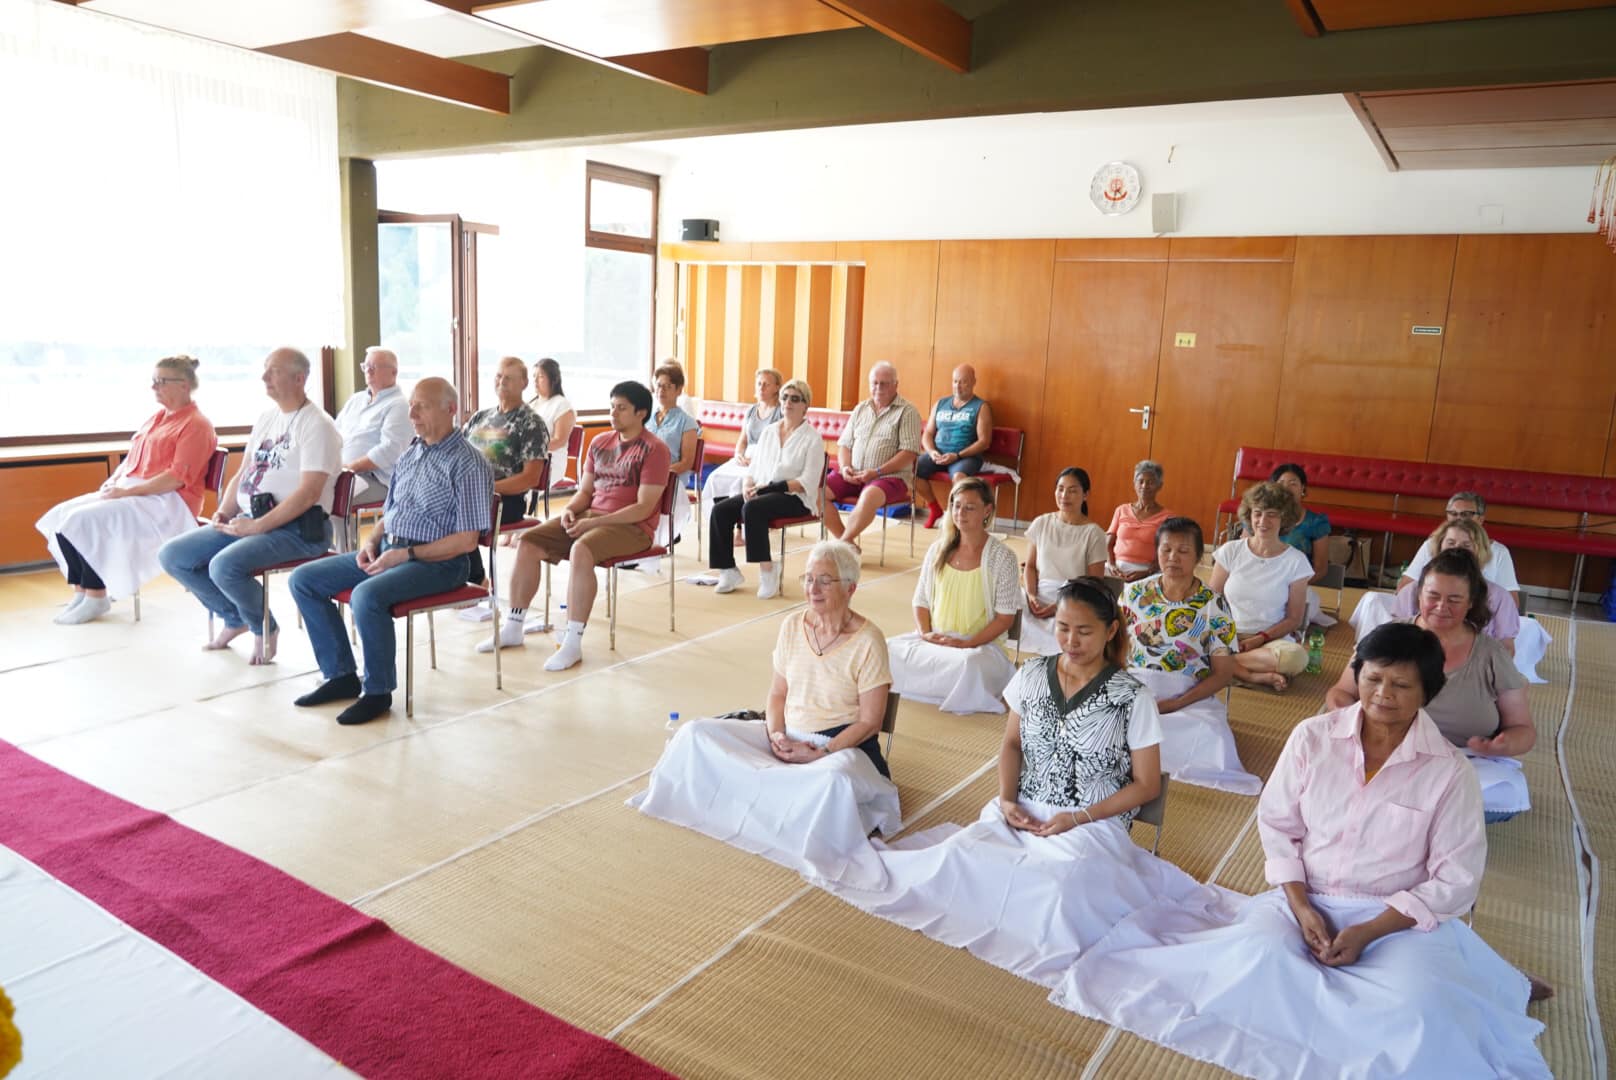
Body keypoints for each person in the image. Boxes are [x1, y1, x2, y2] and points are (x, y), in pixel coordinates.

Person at [1055, 623, 1550, 1080]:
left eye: (1401, 685)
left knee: (1417, 1012)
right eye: (1374, 679)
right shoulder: (1313, 738)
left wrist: (1369, 931)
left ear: (1427, 692)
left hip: (1395, 920)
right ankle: (1481, 976)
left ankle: (1494, 982)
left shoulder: (1448, 771)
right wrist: (1300, 905)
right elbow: (1277, 824)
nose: (1382, 695)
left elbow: (1455, 878)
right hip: (1306, 898)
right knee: (1253, 961)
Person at [822, 579, 1203, 987]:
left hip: (1093, 823)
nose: (1070, 640)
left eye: (1084, 631)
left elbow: (1146, 786)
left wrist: (1075, 818)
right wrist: (1006, 801)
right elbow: (1010, 744)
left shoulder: (1132, 697)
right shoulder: (1034, 673)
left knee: (1059, 889)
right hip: (1023, 807)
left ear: (1111, 631)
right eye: (1062, 628)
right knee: (961, 856)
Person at [629, 541, 900, 890]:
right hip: (786, 734)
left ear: (851, 588)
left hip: (842, 748)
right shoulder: (791, 625)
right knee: (696, 734)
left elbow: (870, 722)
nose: (812, 589)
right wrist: (776, 735)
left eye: (824, 581)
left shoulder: (869, 640)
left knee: (831, 783)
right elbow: (777, 694)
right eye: (808, 578)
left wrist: (821, 753)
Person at [288, 378, 494, 725]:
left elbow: (466, 542)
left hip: (441, 563)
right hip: (389, 549)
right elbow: (392, 510)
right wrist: (371, 541)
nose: (411, 413)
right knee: (304, 579)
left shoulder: (467, 463)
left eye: (422, 406)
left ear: (450, 409)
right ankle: (340, 675)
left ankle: (378, 692)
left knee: (367, 596)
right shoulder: (411, 453)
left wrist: (407, 555)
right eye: (411, 404)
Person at [158, 347, 339, 665]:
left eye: (274, 371)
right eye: (265, 370)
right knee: (173, 555)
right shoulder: (268, 418)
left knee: (224, 566)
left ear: (299, 378)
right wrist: (226, 511)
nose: (264, 377)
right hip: (250, 519)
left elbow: (310, 493)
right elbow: (244, 472)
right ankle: (235, 617)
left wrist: (257, 527)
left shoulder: (317, 425)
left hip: (299, 528)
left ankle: (263, 626)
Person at [1328, 548, 1535, 822]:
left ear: (1471, 602)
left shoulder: (1491, 654)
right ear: (1418, 595)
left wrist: (1503, 745)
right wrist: (1354, 722)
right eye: (1433, 596)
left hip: (1462, 761)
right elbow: (1341, 693)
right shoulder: (1387, 638)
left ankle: (1400, 814)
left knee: (1497, 799)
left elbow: (1523, 729)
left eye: (1454, 599)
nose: (1441, 607)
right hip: (1386, 752)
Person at [480, 381, 670, 669]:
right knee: (529, 541)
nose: (613, 414)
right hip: (591, 517)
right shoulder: (600, 443)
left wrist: (594, 523)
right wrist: (570, 510)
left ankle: (572, 642)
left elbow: (643, 507)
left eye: (621, 409)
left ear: (641, 413)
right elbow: (585, 492)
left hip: (633, 528)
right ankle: (514, 626)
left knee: (582, 549)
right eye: (611, 407)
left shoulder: (654, 449)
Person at [36, 355, 216, 624]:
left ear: (184, 385)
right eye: (154, 381)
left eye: (161, 381)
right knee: (61, 516)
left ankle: (97, 597)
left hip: (168, 503)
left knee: (81, 520)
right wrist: (115, 481)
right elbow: (131, 460)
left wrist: (127, 493)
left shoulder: (197, 425)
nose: (154, 387)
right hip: (137, 492)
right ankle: (83, 591)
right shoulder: (156, 419)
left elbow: (177, 478)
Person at [1122, 518, 1257, 795]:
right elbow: (1111, 649)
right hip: (1134, 688)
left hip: (1187, 694)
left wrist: (1175, 703)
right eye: (1166, 549)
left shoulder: (1214, 604)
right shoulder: (1134, 593)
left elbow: (1223, 672)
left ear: (1198, 556)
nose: (1173, 557)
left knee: (1212, 737)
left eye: (1183, 551)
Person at [887, 477, 1019, 714]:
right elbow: (921, 600)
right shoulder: (938, 549)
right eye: (957, 505)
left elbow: (1005, 618)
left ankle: (938, 688)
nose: (961, 513)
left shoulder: (1002, 557)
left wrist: (966, 643)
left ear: (987, 510)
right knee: (887, 649)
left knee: (968, 665)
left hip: (981, 648)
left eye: (970, 507)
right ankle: (934, 688)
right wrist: (925, 633)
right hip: (937, 641)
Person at [708, 378, 824, 599]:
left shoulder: (812, 439)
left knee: (753, 509)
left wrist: (772, 487)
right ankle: (728, 570)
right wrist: (746, 486)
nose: (788, 402)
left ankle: (768, 570)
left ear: (805, 405)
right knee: (721, 510)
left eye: (795, 399)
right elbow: (754, 468)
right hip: (763, 491)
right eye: (785, 398)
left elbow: (808, 481)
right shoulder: (770, 432)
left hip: (795, 497)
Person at [1352, 518, 1521, 652]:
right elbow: (1398, 634)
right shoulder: (1412, 591)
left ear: (1480, 550)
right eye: (1451, 543)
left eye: (1466, 545)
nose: (1457, 550)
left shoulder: (1499, 597)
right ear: (1439, 546)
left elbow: (1506, 647)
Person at [1210, 481, 1314, 691]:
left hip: (1269, 640)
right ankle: (1251, 675)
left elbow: (1294, 619)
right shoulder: (1231, 550)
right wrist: (1225, 636)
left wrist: (1260, 638)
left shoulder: (1296, 561)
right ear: (1249, 516)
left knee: (1296, 657)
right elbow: (1210, 601)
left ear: (1284, 518)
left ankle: (1221, 666)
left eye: (1272, 514)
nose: (1263, 521)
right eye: (1258, 513)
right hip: (1226, 636)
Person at [823, 362, 922, 552]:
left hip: (890, 477)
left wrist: (877, 472)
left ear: (895, 385)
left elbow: (909, 452)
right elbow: (845, 444)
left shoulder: (907, 411)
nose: (878, 388)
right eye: (874, 383)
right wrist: (844, 468)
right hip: (853, 474)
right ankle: (847, 542)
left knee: (869, 496)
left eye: (884, 383)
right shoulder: (861, 408)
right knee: (817, 492)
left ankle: (842, 545)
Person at [1020, 466, 1108, 655]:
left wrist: (1059, 606)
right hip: (1039, 595)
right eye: (1060, 489)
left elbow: (1095, 584)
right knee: (1008, 604)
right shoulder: (1041, 522)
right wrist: (1032, 595)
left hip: (1074, 598)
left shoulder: (1094, 533)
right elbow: (1030, 567)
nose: (1064, 495)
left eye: (1072, 490)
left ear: (1085, 495)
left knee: (1070, 627)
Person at [462, 356, 548, 527]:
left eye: (508, 378)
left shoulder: (531, 423)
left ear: (524, 383)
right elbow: (458, 454)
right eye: (499, 376)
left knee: (442, 515)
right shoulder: (480, 417)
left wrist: (486, 487)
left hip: (503, 501)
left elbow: (530, 478)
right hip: (467, 493)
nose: (502, 382)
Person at [698, 367, 783, 536]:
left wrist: (759, 461)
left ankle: (740, 530)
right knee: (717, 477)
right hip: (747, 456)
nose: (761, 387)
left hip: (767, 458)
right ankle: (724, 524)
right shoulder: (751, 411)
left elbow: (780, 445)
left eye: (766, 384)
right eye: (759, 383)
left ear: (776, 388)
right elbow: (743, 439)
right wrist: (738, 454)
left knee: (741, 481)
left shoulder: (781, 412)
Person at [1399, 491, 1520, 608]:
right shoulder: (1431, 545)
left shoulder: (1499, 552)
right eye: (1453, 513)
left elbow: (1511, 604)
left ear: (1481, 519)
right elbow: (1404, 590)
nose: (1459, 519)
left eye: (1466, 514)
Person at [916, 364, 994, 529]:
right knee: (911, 469)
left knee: (959, 478)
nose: (958, 386)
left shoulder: (981, 407)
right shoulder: (941, 404)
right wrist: (932, 452)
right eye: (955, 381)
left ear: (973, 382)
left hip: (965, 457)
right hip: (938, 454)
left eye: (963, 382)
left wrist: (957, 456)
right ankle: (934, 509)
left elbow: (984, 442)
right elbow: (928, 434)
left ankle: (952, 520)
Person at [333, 347, 412, 505]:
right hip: (341, 472)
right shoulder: (356, 400)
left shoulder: (399, 405)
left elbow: (390, 450)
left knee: (329, 498)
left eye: (374, 367)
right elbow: (334, 434)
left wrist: (350, 468)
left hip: (377, 479)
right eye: (366, 366)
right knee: (309, 489)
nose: (368, 371)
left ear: (393, 373)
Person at [647, 360, 702, 548]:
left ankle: (650, 541)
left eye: (668, 387)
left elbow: (686, 462)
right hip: (647, 473)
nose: (661, 391)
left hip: (672, 475)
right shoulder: (647, 418)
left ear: (678, 390)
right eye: (659, 386)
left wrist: (659, 473)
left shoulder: (687, 422)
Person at [1105, 460, 1171, 581]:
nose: (1144, 486)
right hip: (1116, 568)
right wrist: (1111, 564)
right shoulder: (1121, 510)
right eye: (1141, 481)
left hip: (1147, 571)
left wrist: (1147, 572)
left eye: (1150, 482)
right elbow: (1108, 544)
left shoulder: (1167, 517)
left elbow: (1167, 550)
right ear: (1134, 483)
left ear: (1159, 486)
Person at [529, 356, 576, 492]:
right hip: (529, 459)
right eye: (534, 377)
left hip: (550, 461)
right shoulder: (531, 404)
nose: (535, 381)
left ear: (553, 379)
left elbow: (559, 441)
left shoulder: (562, 405)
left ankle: (516, 509)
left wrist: (528, 451)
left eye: (541, 376)